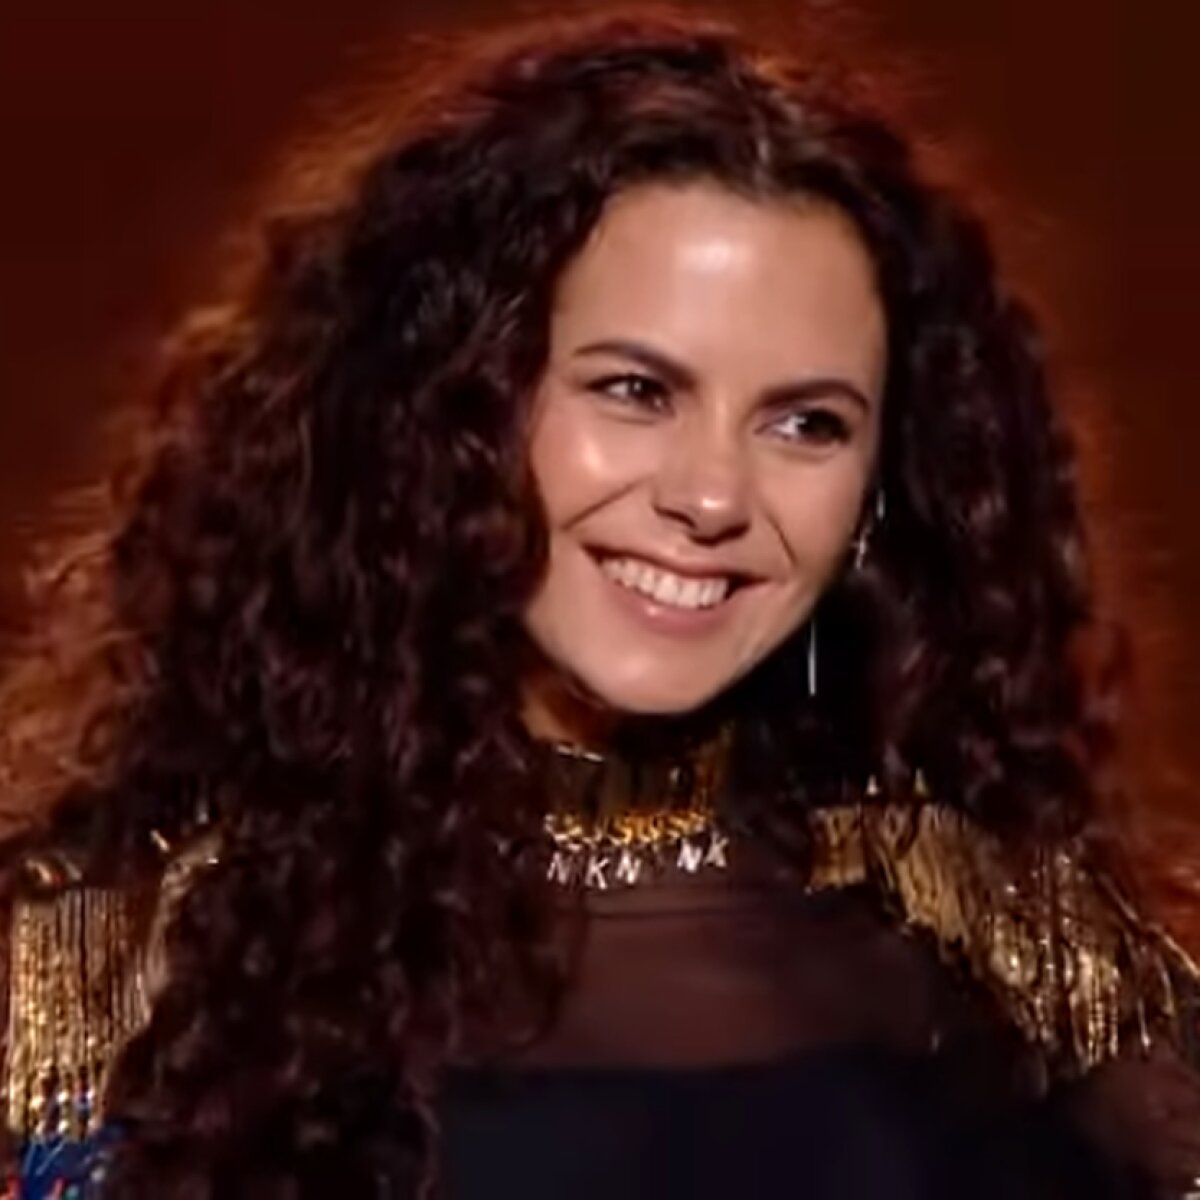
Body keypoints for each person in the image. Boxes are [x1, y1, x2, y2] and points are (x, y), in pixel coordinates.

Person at [0, 9, 1197, 1198]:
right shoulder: (120, 972)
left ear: (887, 484)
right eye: (634, 390)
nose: (713, 496)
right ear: (453, 412)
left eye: (806, 423)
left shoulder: (1022, 955)